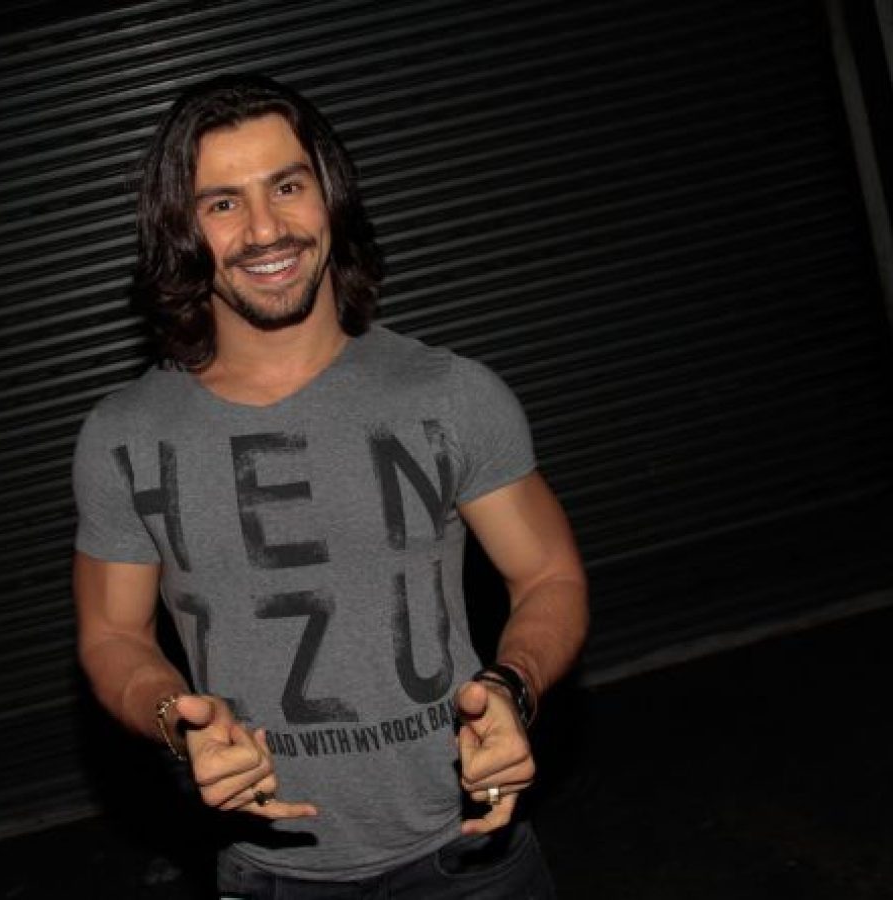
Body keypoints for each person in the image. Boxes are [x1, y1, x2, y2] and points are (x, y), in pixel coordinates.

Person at [72, 72, 588, 898]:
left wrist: (512, 685)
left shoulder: (452, 396)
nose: (265, 229)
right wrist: (175, 719)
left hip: (471, 861)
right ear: (180, 227)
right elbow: (111, 634)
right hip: (270, 873)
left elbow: (548, 575)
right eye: (222, 203)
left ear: (330, 196)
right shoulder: (123, 436)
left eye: (287, 186)